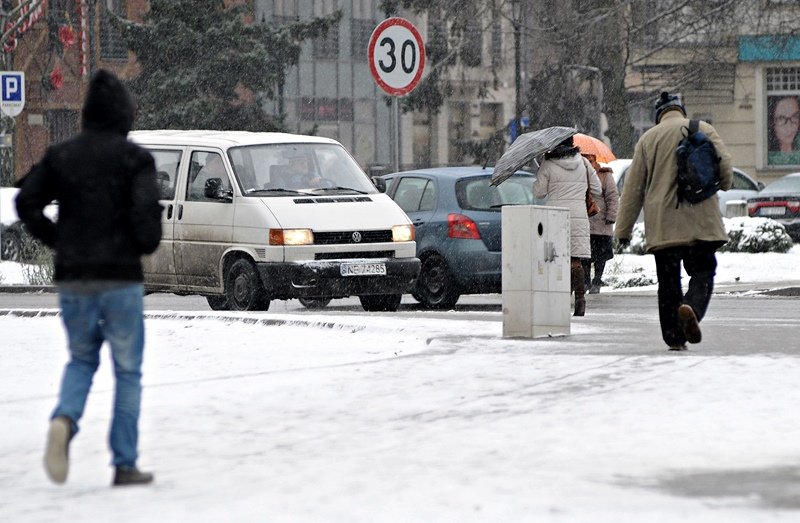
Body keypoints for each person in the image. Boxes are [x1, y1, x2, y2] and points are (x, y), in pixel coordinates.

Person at [15, 70, 163, 486]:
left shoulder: (62, 155)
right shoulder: (136, 160)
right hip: (121, 279)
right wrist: (139, 237)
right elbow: (148, 231)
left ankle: (64, 418)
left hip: (74, 276)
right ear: (123, 115)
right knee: (127, 370)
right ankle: (125, 463)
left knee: (81, 360)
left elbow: (26, 202)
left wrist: (59, 240)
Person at [614, 92, 733, 351]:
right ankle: (691, 306)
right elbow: (726, 172)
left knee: (668, 283)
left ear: (659, 114)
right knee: (703, 271)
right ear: (681, 110)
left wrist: (622, 231)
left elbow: (633, 190)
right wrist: (719, 184)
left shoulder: (648, 139)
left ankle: (674, 338)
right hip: (702, 221)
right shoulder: (703, 129)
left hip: (664, 226)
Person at [534, 136, 602, 316]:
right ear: (572, 143)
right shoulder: (583, 162)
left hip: (555, 216)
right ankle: (580, 299)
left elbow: (539, 192)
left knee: (554, 259)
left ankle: (558, 299)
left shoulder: (548, 163)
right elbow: (597, 189)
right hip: (578, 215)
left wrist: (541, 171)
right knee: (575, 260)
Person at [580, 153, 619, 294]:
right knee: (585, 255)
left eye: (590, 161)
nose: (588, 164)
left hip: (602, 222)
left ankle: (597, 280)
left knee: (601, 255)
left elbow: (613, 197)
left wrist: (611, 216)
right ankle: (586, 282)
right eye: (586, 161)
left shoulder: (605, 176)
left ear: (596, 162)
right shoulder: (580, 175)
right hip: (586, 223)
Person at [768, 95, 800, 165]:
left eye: (794, 117)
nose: (789, 127)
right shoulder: (770, 157)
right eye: (781, 118)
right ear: (772, 123)